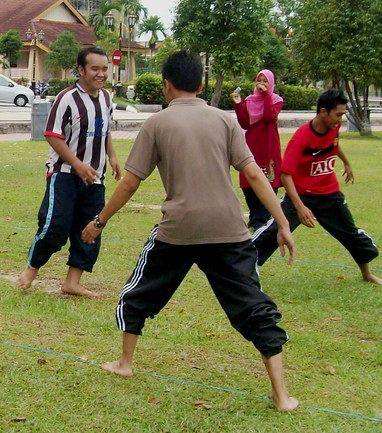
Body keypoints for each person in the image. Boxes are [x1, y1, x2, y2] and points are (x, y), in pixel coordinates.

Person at [81, 50, 299, 412]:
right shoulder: (225, 120)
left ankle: (125, 363)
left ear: (166, 86)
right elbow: (256, 175)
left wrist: (99, 221)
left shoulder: (157, 123)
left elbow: (130, 184)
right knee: (252, 306)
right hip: (229, 229)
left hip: (178, 230)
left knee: (139, 293)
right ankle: (281, 395)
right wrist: (283, 223)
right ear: (200, 84)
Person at [251, 88, 382, 286]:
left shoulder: (333, 128)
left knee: (350, 233)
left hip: (329, 194)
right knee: (273, 231)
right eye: (338, 114)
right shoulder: (302, 137)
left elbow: (334, 144)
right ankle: (242, 268)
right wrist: (300, 207)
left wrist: (346, 163)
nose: (340, 119)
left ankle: (367, 274)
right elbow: (286, 174)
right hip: (301, 196)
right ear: (323, 112)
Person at [16, 47, 121, 297]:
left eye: (105, 69)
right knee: (55, 226)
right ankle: (32, 269)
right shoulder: (67, 98)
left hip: (95, 178)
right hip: (64, 175)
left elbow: (105, 131)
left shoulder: (106, 98)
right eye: (95, 69)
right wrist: (76, 163)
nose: (101, 74)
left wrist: (113, 156)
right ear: (82, 70)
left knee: (90, 229)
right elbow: (52, 135)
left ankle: (72, 282)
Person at [231, 69, 284, 229]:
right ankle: (256, 224)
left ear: (271, 83)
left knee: (268, 187)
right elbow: (245, 123)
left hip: (268, 148)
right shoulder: (249, 101)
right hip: (252, 147)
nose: (261, 84)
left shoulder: (276, 100)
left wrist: (266, 95)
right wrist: (238, 103)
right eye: (258, 80)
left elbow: (269, 116)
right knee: (250, 187)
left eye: (265, 81)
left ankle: (258, 226)